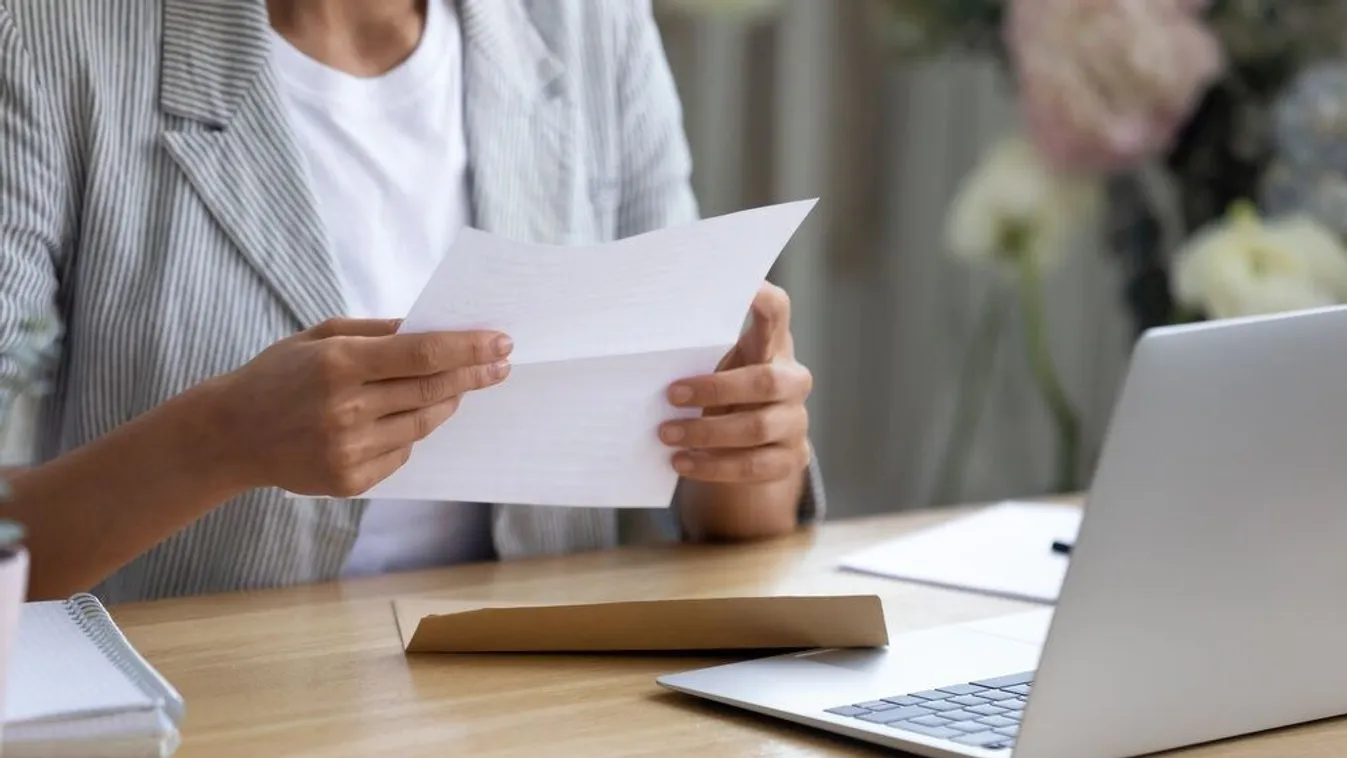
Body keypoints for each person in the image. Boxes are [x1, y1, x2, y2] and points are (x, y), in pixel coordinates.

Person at [0, 0, 825, 605]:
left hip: (545, 698)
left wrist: (752, 447)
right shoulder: (44, 41)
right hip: (208, 703)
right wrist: (221, 440)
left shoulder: (589, 24)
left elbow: (720, 514)